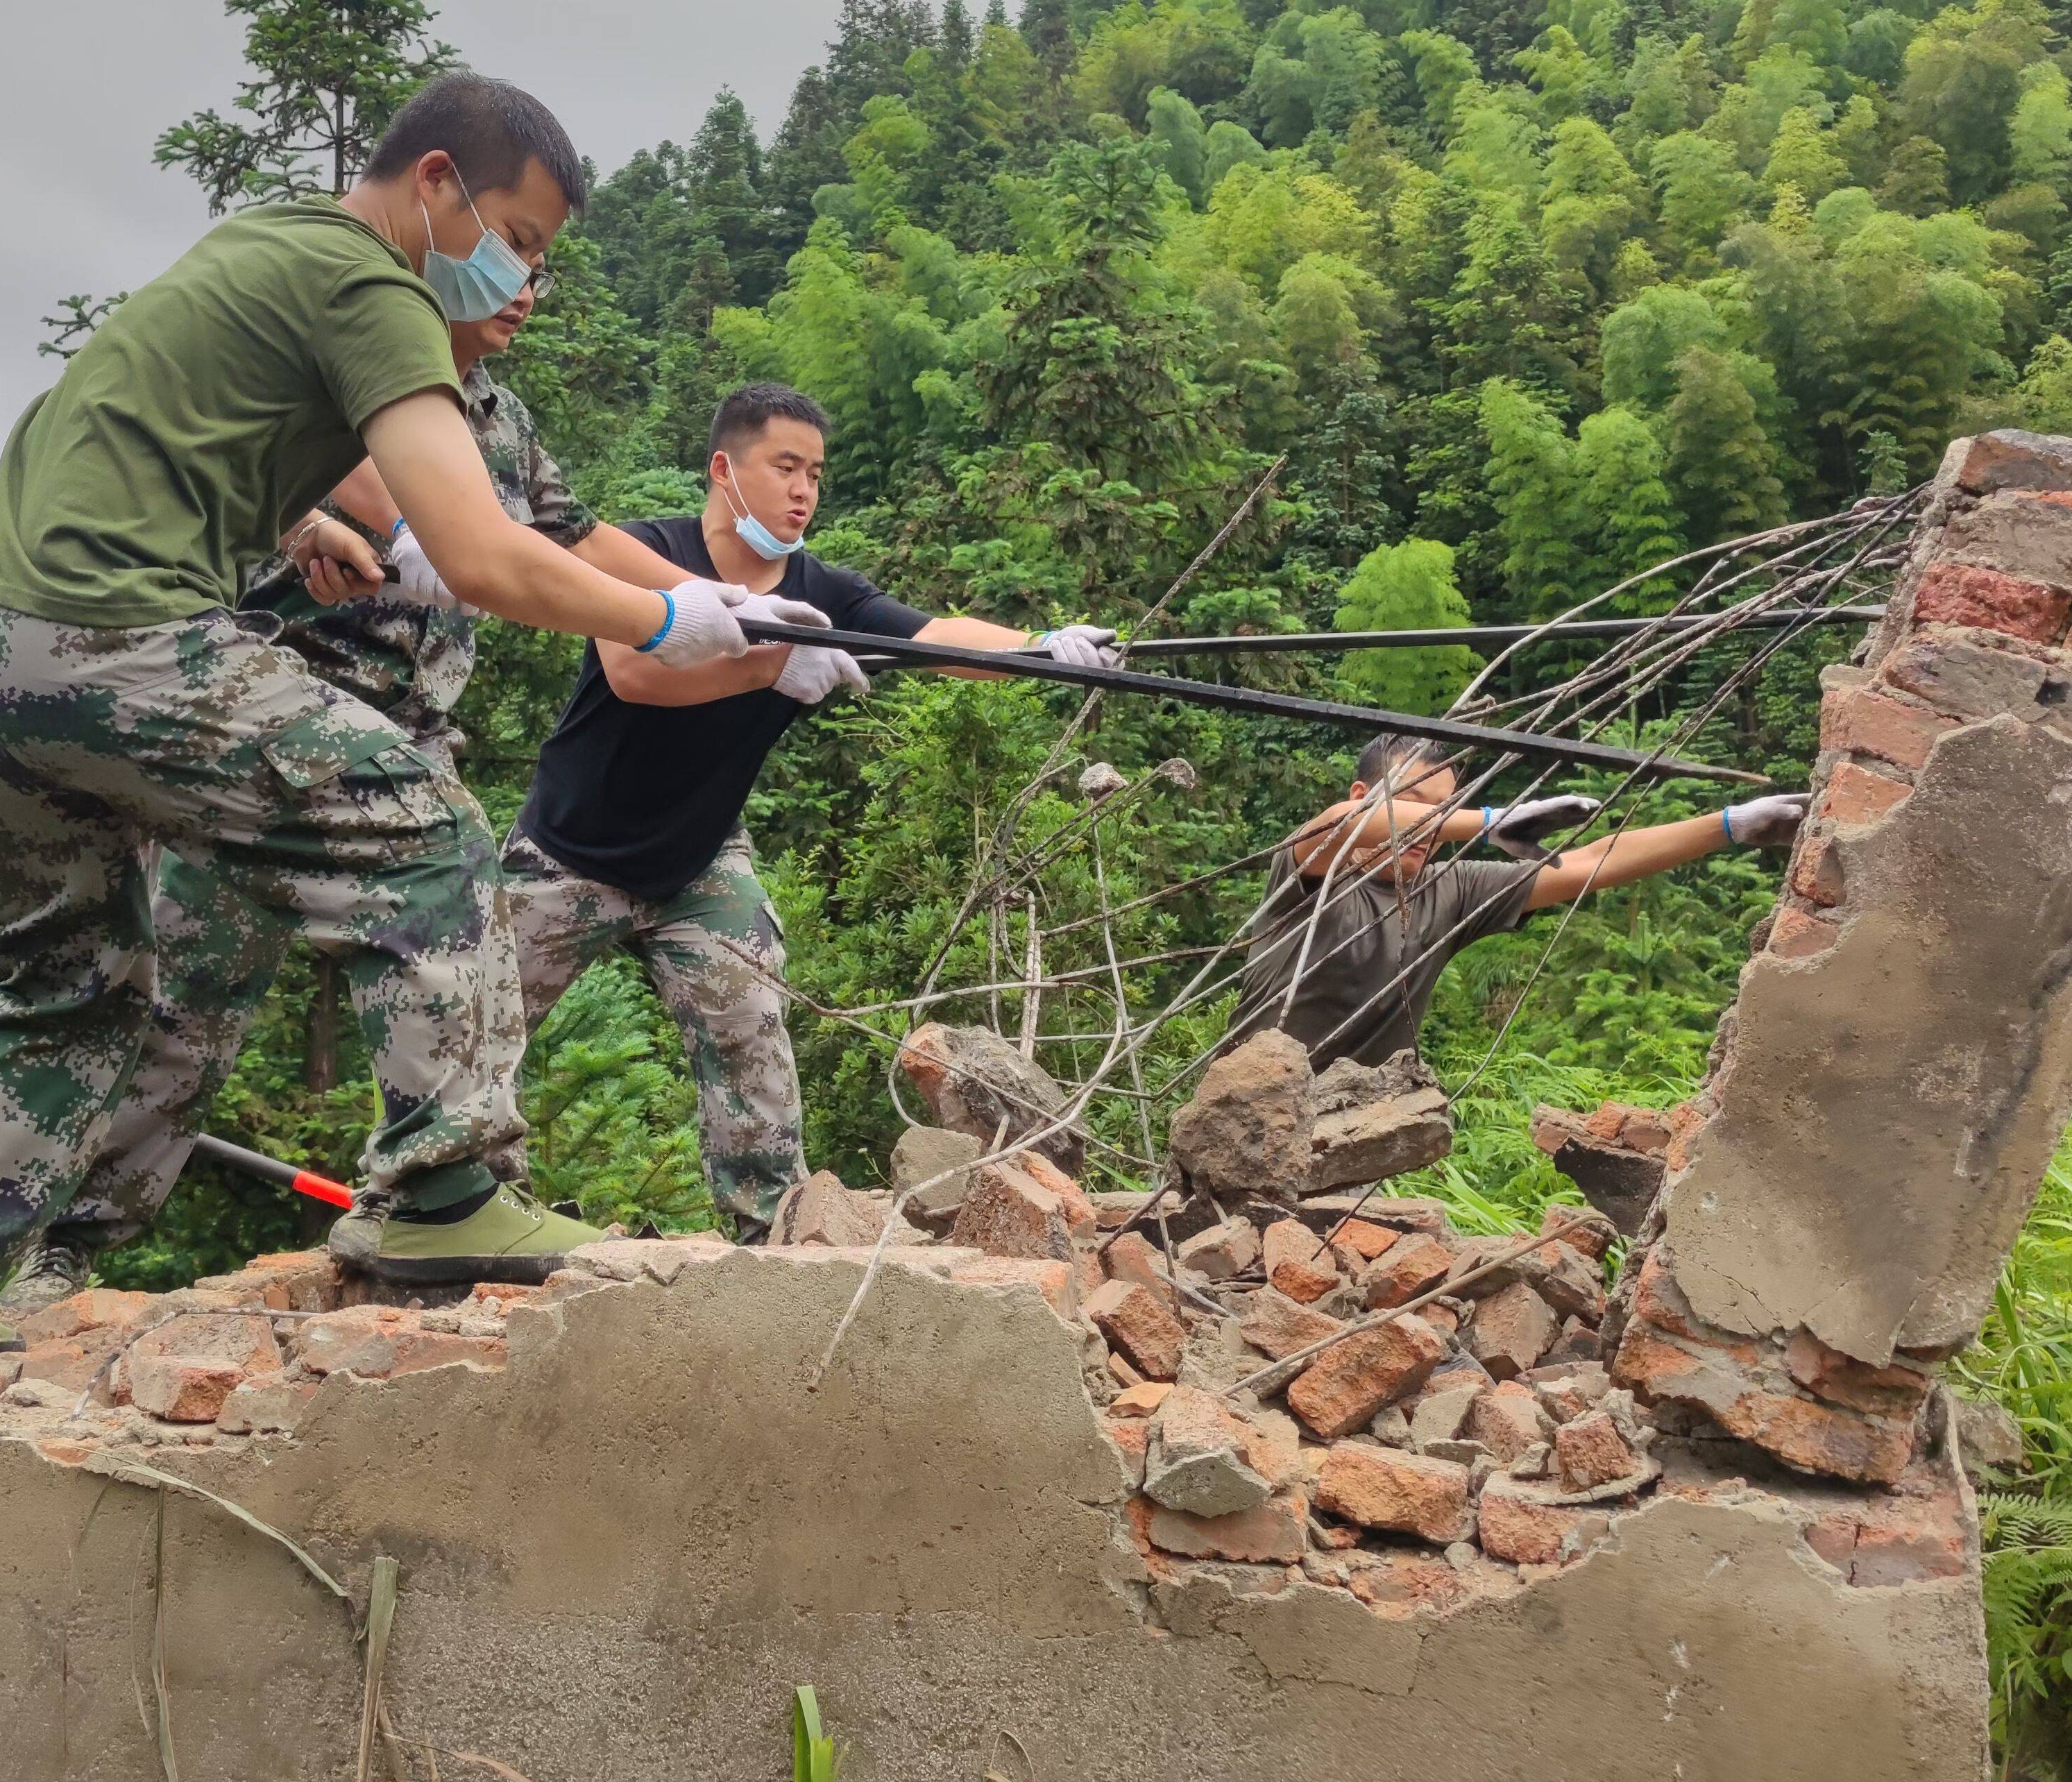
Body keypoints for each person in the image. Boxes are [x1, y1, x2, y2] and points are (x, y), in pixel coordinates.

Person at [0, 73, 758, 1384]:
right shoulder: (373, 285)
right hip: (115, 638)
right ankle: (441, 1187)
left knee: (73, 987)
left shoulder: (256, 243)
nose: (519, 274)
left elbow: (119, 427)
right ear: (434, 183)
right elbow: (484, 549)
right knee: (423, 830)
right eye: (518, 238)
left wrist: (288, 515)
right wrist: (664, 623)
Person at [334, 381, 1120, 1263]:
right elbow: (636, 672)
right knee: (469, 1031)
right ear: (724, 469)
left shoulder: (822, 592)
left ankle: (776, 1242)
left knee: (752, 1032)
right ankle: (421, 1208)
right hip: (567, 852)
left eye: (816, 474)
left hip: (702, 859)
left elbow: (935, 638)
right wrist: (772, 669)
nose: (802, 491)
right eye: (784, 466)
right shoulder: (641, 552)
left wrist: (1040, 651)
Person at [1231, 734, 1808, 1069]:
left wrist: (1731, 825)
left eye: (1444, 807)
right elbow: (1342, 825)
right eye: (1417, 806)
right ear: (1365, 793)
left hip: (1357, 1134)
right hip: (1250, 1121)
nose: (1432, 826)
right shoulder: (1309, 874)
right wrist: (1489, 821)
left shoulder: (1453, 888)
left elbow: (1588, 862)